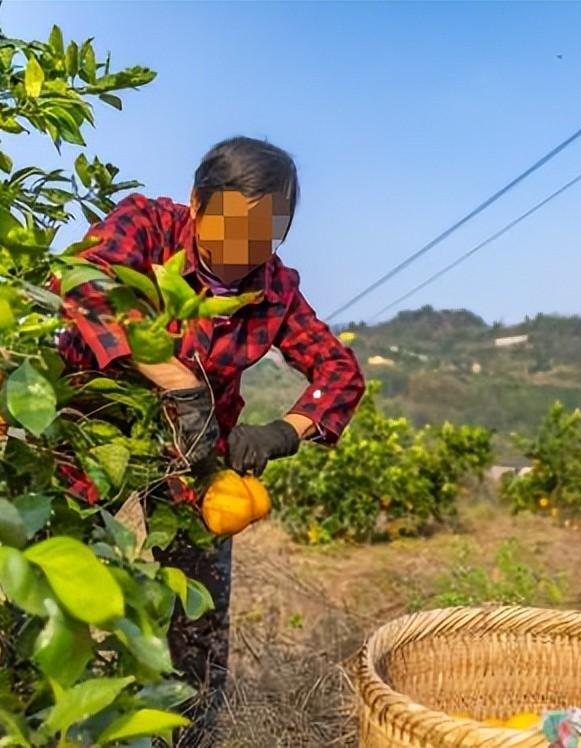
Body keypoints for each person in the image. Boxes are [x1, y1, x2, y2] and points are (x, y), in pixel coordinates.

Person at [53, 136, 365, 743]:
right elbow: (84, 284)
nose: (244, 253)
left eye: (263, 237)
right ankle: (37, 718)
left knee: (196, 618)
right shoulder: (146, 227)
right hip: (93, 430)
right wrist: (173, 378)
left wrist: (284, 432)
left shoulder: (273, 288)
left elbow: (339, 372)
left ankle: (186, 734)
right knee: (59, 588)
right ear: (198, 203)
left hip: (192, 455)